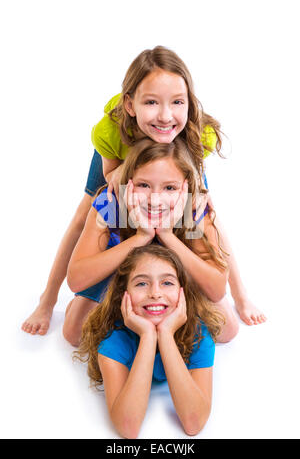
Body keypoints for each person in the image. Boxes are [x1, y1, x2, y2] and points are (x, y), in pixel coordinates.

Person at [21, 45, 265, 337]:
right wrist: (123, 177)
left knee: (204, 212)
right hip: (122, 165)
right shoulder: (110, 130)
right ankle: (47, 300)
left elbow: (195, 193)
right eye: (151, 103)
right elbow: (111, 176)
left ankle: (239, 295)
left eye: (177, 102)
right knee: (85, 216)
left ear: (189, 103)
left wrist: (188, 199)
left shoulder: (199, 133)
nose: (164, 116)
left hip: (177, 160)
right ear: (130, 105)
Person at [64, 138, 239, 347]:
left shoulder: (193, 208)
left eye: (170, 188)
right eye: (143, 185)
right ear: (127, 182)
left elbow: (217, 288)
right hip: (120, 274)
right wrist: (140, 238)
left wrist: (167, 235)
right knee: (75, 333)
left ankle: (160, 317)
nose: (155, 200)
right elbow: (75, 279)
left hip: (170, 279)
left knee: (227, 329)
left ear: (186, 187)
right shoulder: (110, 203)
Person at [73, 244, 225, 438]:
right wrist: (147, 336)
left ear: (182, 292)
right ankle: (77, 301)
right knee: (74, 330)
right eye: (141, 284)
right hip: (112, 314)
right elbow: (129, 428)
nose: (155, 293)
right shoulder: (114, 340)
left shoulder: (199, 334)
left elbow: (193, 424)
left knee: (226, 324)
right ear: (123, 294)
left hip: (187, 314)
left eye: (167, 283)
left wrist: (166, 334)